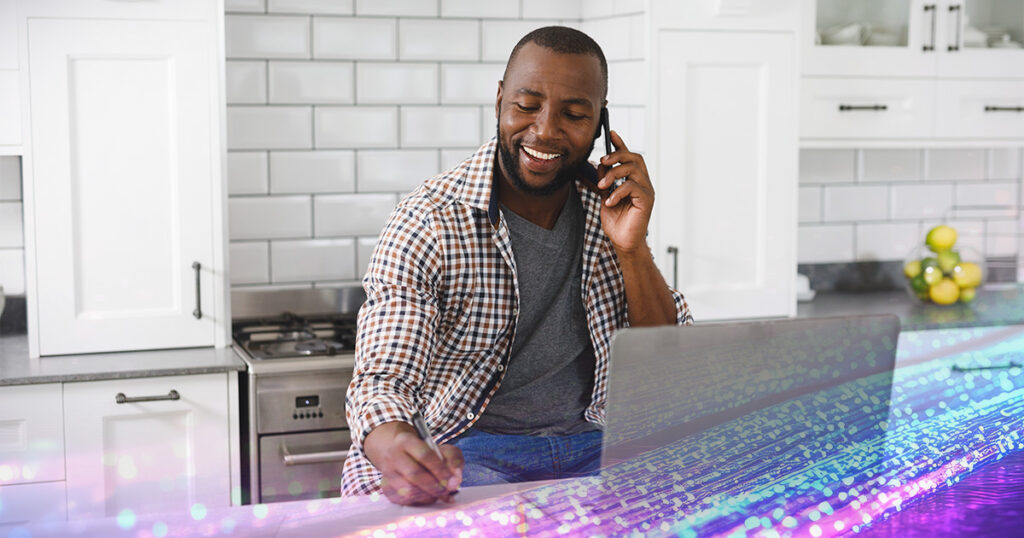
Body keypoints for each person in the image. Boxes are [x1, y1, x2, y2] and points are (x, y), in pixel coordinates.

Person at [342, 26, 694, 505]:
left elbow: (670, 363)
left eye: (573, 114)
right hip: (470, 449)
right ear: (500, 102)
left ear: (600, 125)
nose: (545, 130)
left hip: (598, 443)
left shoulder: (609, 209)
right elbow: (384, 378)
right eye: (527, 105)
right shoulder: (431, 218)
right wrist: (397, 445)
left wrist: (633, 249)